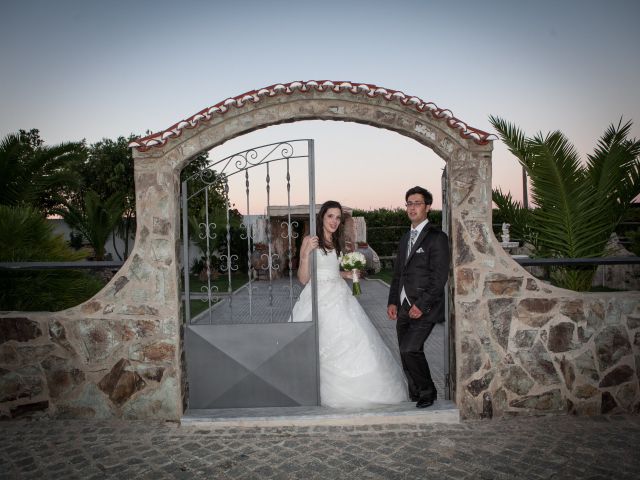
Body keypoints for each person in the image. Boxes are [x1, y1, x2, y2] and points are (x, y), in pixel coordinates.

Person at [292, 200, 408, 408]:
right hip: (318, 298)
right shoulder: (311, 240)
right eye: (330, 216)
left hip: (340, 297)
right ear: (322, 217)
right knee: (320, 345)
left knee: (354, 340)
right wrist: (304, 254)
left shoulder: (336, 243)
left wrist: (347, 273)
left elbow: (330, 270)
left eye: (338, 217)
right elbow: (303, 279)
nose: (334, 221)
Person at [387, 186, 450, 408]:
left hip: (426, 307)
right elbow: (398, 273)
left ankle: (428, 392)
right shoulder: (406, 237)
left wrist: (422, 306)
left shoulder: (437, 238)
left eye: (417, 203)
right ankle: (415, 392)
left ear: (428, 207)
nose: (412, 208)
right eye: (409, 204)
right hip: (403, 306)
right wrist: (393, 301)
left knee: (410, 348)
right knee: (406, 353)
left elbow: (439, 277)